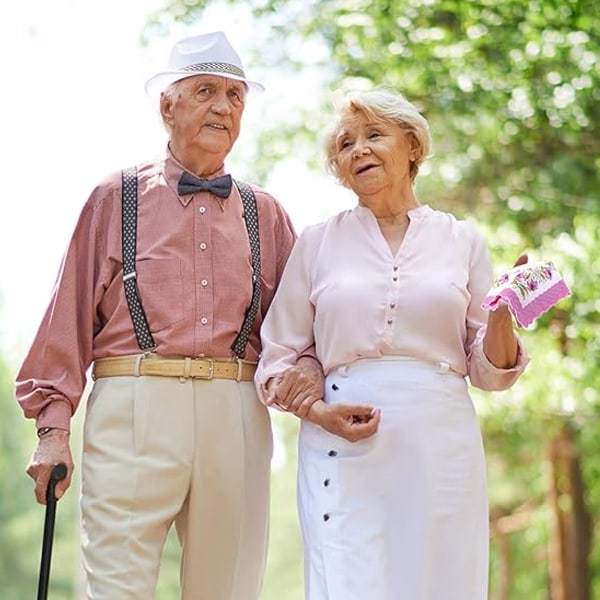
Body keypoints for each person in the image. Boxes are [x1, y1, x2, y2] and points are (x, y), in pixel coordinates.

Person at [16, 31, 322, 600]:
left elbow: (302, 327)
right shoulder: (116, 196)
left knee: (228, 590)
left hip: (236, 411)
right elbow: (67, 318)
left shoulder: (268, 213)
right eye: (206, 91)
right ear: (167, 106)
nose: (223, 107)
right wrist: (52, 430)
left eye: (235, 96)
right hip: (133, 406)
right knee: (116, 590)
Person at [255, 88, 531, 600]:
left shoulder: (462, 240)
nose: (358, 149)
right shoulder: (317, 243)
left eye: (374, 135)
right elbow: (276, 357)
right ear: (338, 168)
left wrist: (502, 317)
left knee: (438, 582)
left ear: (412, 147)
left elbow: (490, 371)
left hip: (441, 446)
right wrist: (317, 410)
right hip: (343, 439)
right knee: (349, 580)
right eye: (345, 144)